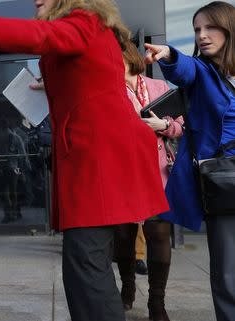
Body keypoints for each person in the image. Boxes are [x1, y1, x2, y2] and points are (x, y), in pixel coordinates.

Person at [0, 1, 170, 320]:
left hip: (98, 160)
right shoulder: (94, 28)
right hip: (96, 157)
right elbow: (87, 75)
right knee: (85, 262)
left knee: (86, 264)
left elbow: (41, 35)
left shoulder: (83, 20)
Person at [144, 2, 235, 321]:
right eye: (197, 29)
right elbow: (183, 68)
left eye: (210, 27)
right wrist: (168, 54)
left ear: (228, 28)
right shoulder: (201, 72)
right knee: (227, 268)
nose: (202, 35)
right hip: (225, 181)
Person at [114, 41, 184, 321]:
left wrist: (164, 126)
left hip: (158, 172)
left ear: (129, 59)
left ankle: (157, 301)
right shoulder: (109, 93)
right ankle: (128, 287)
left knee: (159, 235)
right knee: (123, 237)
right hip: (123, 173)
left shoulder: (159, 88)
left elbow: (182, 126)